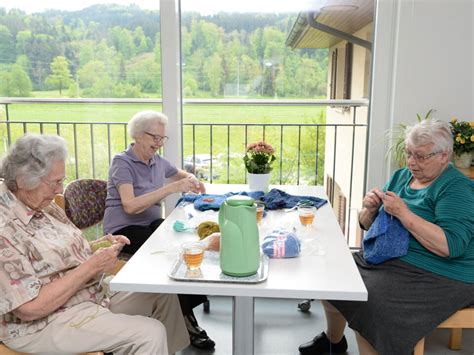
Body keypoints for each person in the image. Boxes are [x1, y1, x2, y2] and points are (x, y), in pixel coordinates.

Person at [0, 134, 189, 354]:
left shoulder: (41, 203)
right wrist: (92, 265)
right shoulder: (5, 228)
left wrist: (97, 248)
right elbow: (30, 308)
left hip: (87, 297)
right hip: (41, 325)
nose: (60, 190)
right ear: (24, 180)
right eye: (55, 182)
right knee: (149, 333)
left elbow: (55, 254)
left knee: (161, 291)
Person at [298, 119, 474, 355]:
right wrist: (369, 210)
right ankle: (333, 341)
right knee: (333, 272)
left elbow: (452, 246)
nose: (412, 162)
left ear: (444, 156)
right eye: (409, 154)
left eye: (420, 156)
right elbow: (369, 225)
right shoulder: (402, 176)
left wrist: (404, 213)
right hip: (391, 259)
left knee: (372, 304)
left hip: (442, 273)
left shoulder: (456, 188)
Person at [103, 110, 216, 350]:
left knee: (185, 245)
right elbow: (130, 205)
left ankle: (185, 316)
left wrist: (193, 180)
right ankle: (188, 322)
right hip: (123, 229)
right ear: (137, 135)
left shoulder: (157, 161)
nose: (159, 143)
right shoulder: (122, 162)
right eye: (155, 137)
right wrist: (171, 188)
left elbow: (180, 174)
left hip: (150, 224)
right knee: (172, 256)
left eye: (162, 138)